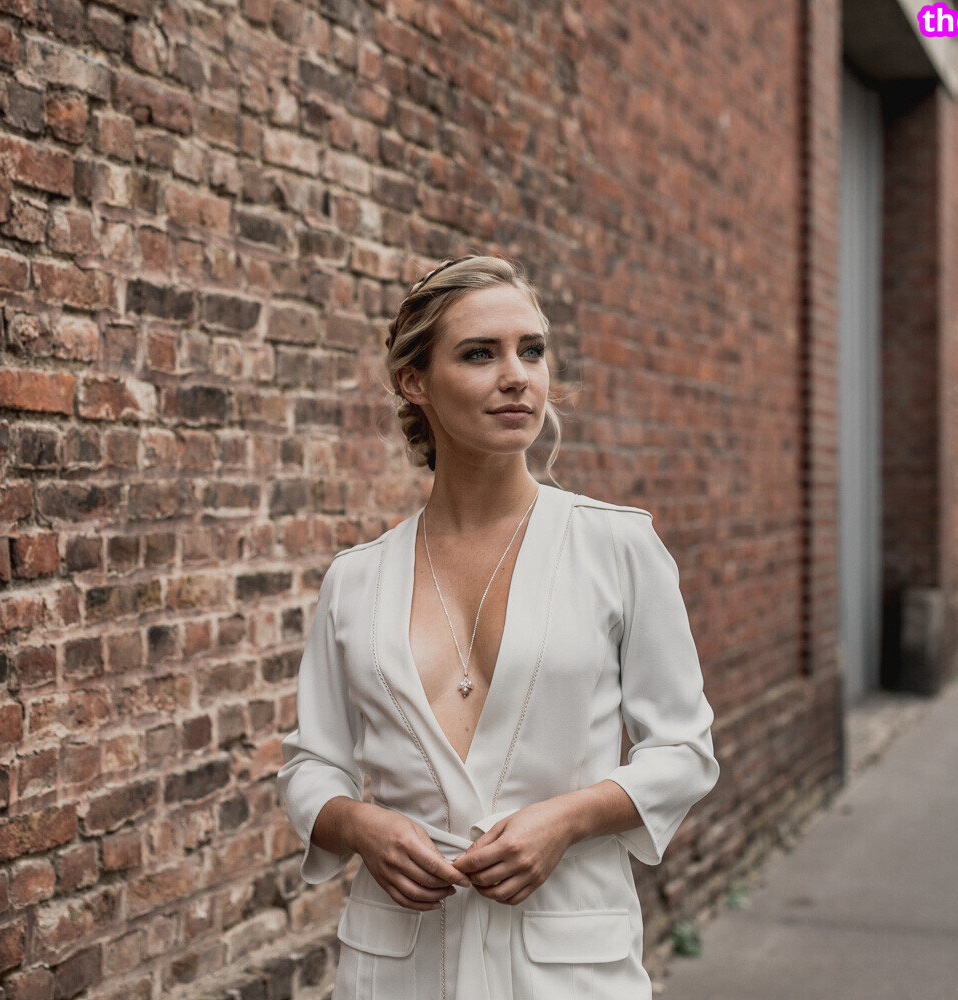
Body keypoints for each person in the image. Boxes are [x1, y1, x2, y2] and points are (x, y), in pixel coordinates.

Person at [276, 254, 721, 1000]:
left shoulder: (616, 545)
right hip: (398, 965)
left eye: (532, 350)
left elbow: (683, 750)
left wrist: (568, 820)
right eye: (480, 354)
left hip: (567, 963)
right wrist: (358, 827)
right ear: (414, 381)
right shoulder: (356, 579)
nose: (517, 376)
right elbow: (310, 765)